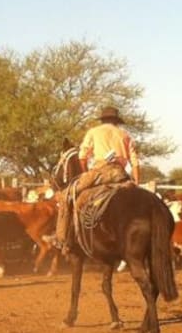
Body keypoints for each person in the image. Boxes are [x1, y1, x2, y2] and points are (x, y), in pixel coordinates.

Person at [54, 106, 140, 251]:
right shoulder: (125, 135)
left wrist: (86, 173)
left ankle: (62, 239)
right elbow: (135, 162)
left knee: (65, 196)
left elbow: (82, 156)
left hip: (100, 171)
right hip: (120, 173)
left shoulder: (93, 132)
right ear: (116, 121)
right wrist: (136, 183)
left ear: (102, 119)